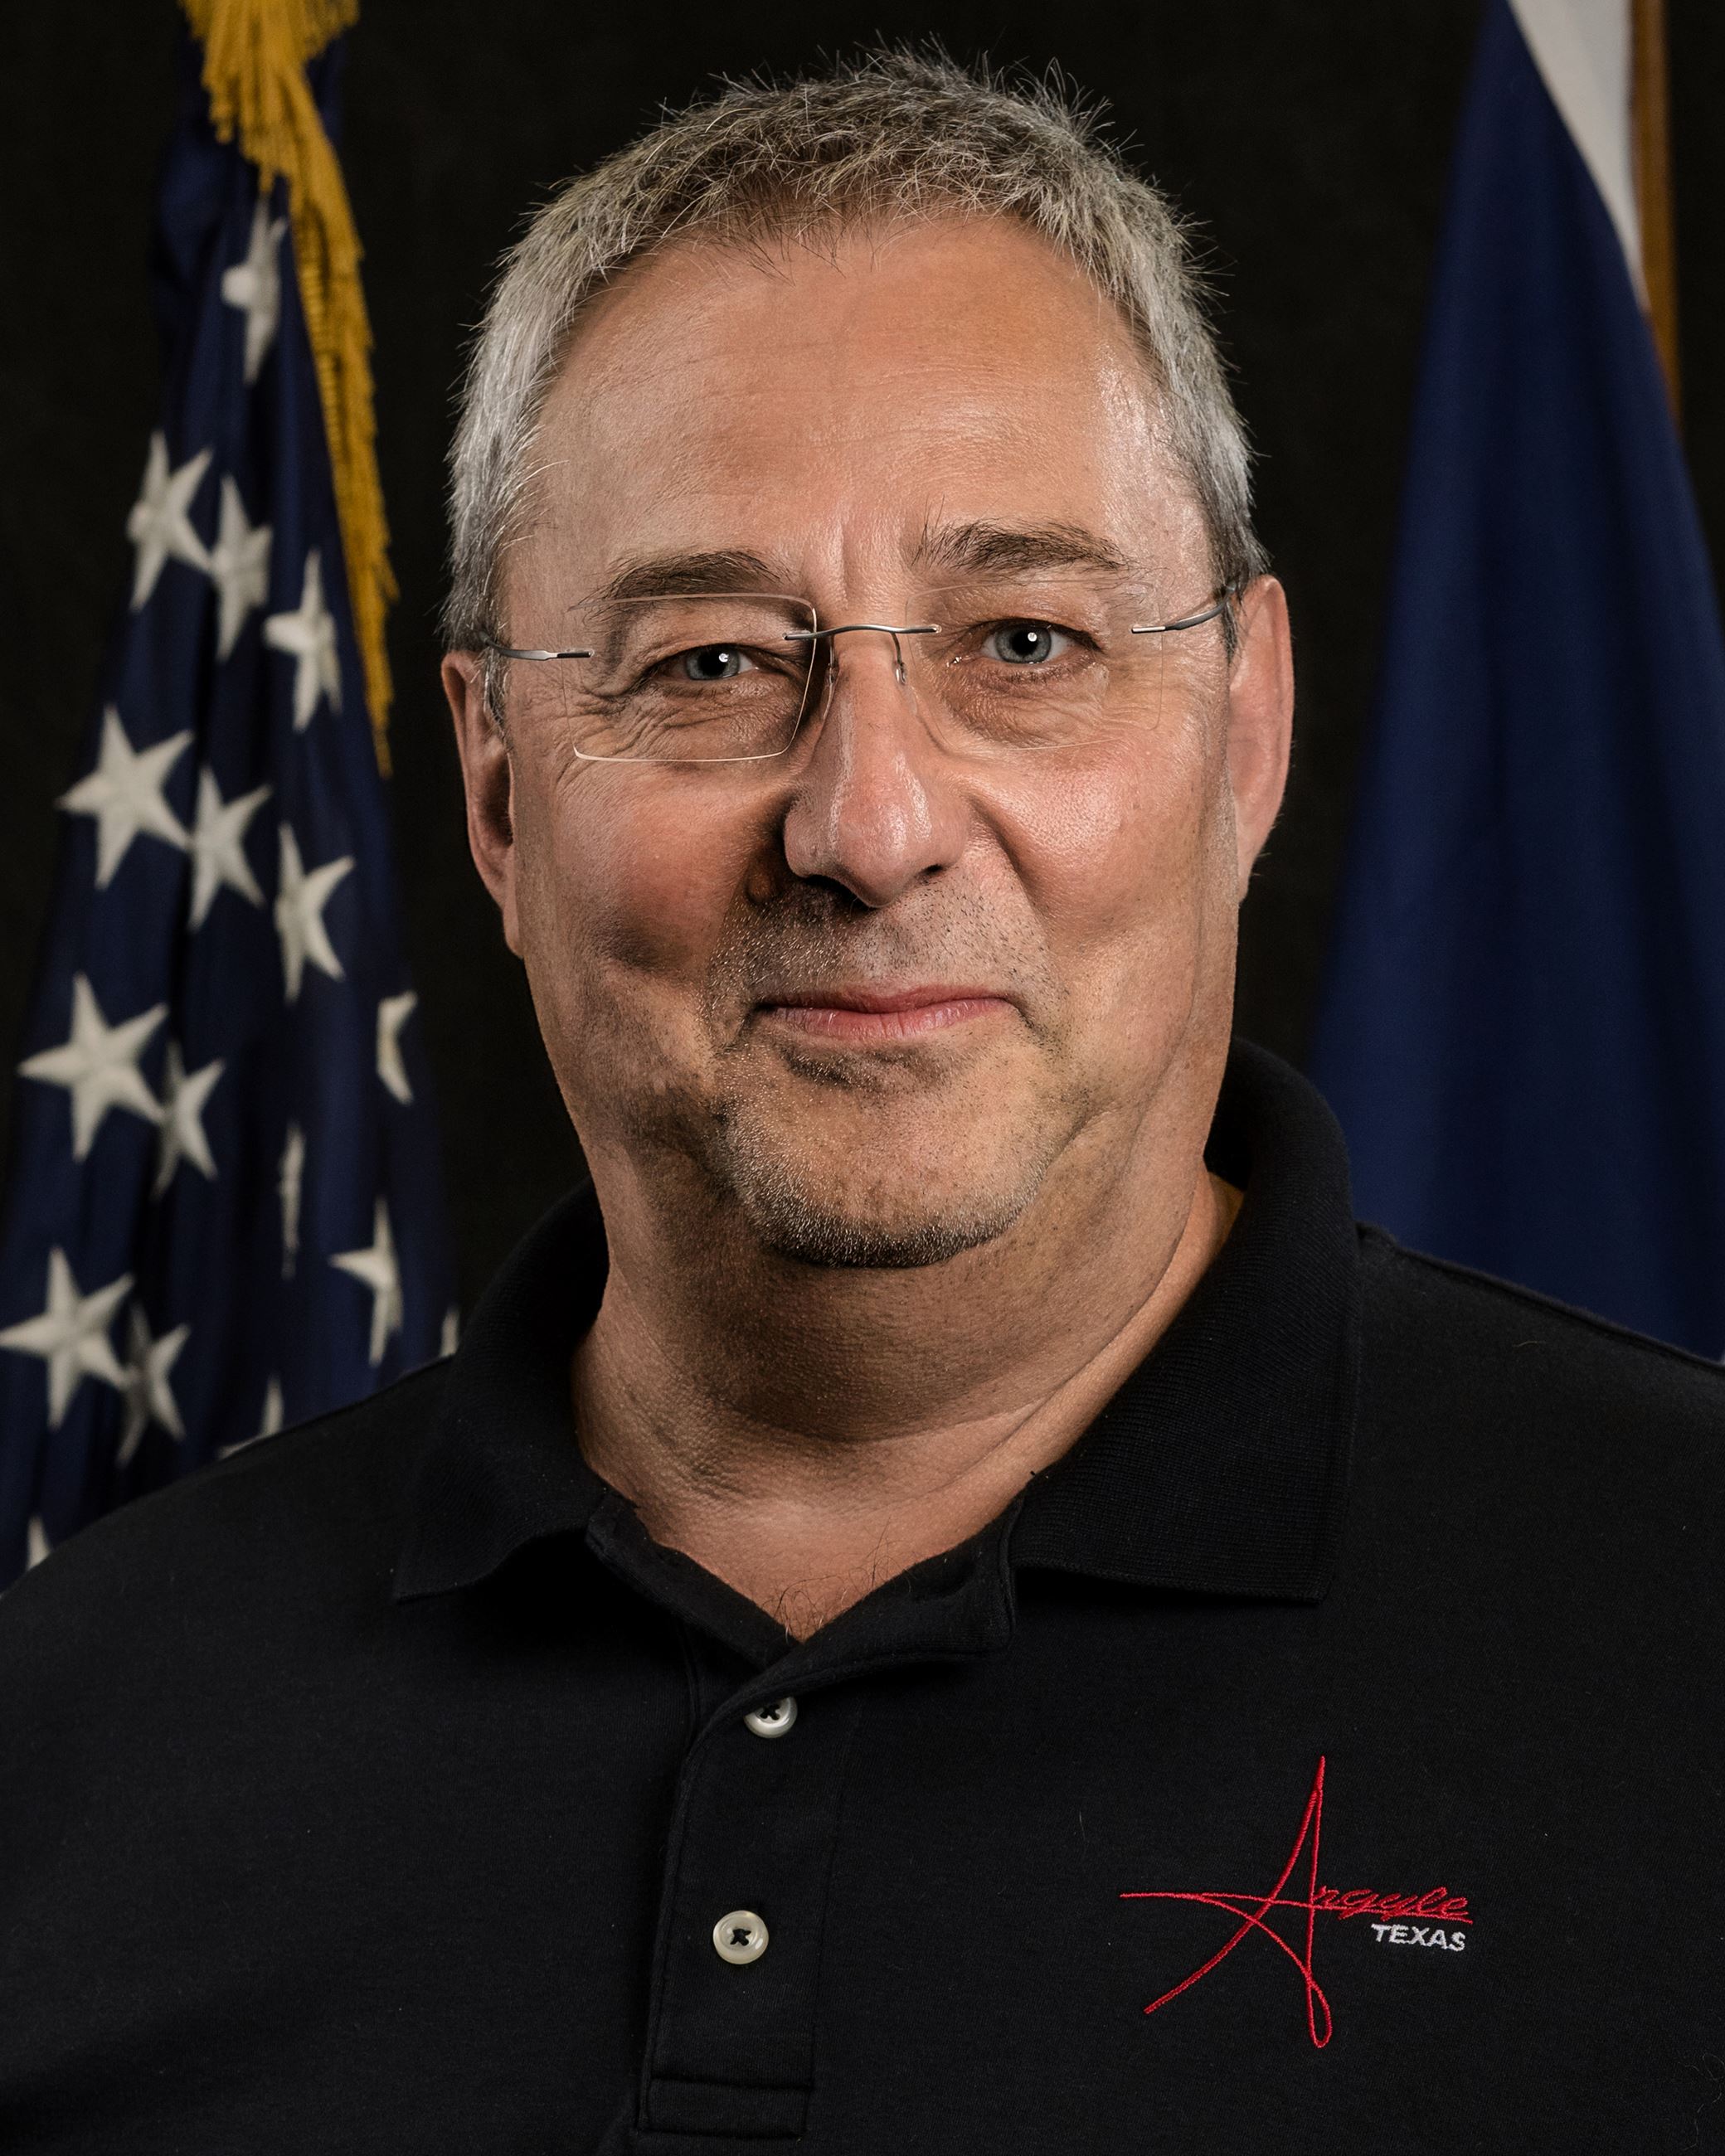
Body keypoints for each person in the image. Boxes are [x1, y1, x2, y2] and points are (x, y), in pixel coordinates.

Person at [2, 51, 1720, 2156]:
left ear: (1244, 727)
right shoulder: (68, 1731)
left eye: (1021, 637)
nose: (870, 821)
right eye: (711, 663)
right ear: (490, 784)